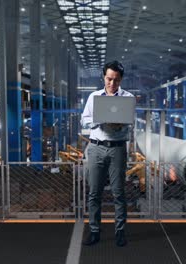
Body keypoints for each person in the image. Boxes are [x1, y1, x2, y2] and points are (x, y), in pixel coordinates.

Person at [81, 60, 134, 247]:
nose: (112, 84)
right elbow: (84, 121)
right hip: (96, 148)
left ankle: (120, 232)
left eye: (117, 80)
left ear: (121, 80)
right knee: (94, 193)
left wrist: (120, 123)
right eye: (109, 79)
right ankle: (94, 231)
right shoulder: (94, 97)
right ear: (104, 77)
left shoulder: (128, 97)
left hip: (118, 148)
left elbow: (130, 122)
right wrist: (99, 120)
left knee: (119, 193)